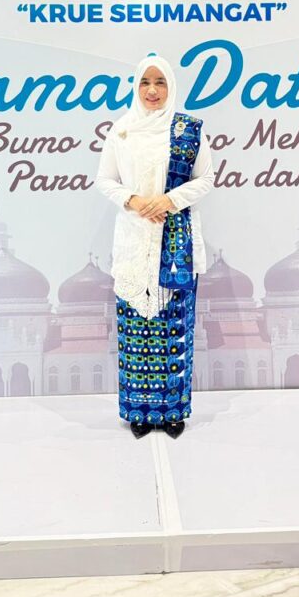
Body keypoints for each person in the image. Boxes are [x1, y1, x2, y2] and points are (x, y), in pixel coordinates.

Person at [94, 54, 215, 440]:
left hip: (175, 239)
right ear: (136, 87)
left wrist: (168, 200)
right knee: (136, 328)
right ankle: (139, 412)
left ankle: (174, 411)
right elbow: (104, 179)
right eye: (145, 82)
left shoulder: (188, 130)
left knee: (174, 327)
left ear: (171, 87)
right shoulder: (122, 130)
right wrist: (133, 200)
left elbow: (206, 178)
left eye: (160, 82)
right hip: (134, 237)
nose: (152, 90)